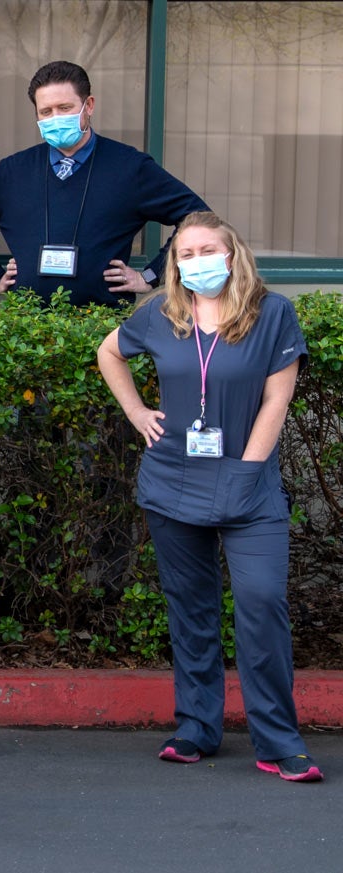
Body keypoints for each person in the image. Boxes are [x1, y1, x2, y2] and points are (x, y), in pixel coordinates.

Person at [96, 212, 321, 783]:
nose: (196, 261)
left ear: (233, 253)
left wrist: (249, 468)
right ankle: (196, 726)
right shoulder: (163, 314)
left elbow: (277, 400)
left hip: (250, 483)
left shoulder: (272, 315)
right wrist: (137, 412)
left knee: (262, 603)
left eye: (207, 249)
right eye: (186, 253)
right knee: (191, 611)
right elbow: (109, 352)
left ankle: (278, 739)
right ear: (175, 264)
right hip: (172, 483)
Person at [0, 60, 208, 308]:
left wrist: (151, 275)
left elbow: (198, 217)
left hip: (102, 327)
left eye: (65, 108)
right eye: (46, 112)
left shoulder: (130, 167)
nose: (55, 118)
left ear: (89, 105)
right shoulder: (14, 171)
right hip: (27, 326)